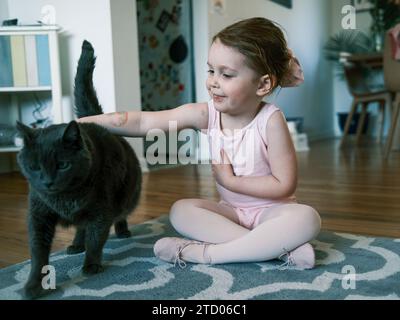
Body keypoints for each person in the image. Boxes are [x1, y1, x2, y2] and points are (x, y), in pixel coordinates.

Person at [78, 17, 321, 269]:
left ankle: (205, 254)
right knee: (181, 210)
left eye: (226, 74)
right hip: (232, 214)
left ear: (262, 84)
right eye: (211, 70)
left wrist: (231, 181)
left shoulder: (271, 120)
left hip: (271, 213)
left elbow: (283, 186)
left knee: (307, 218)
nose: (214, 81)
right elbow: (143, 122)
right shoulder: (207, 115)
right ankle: (277, 249)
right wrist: (83, 123)